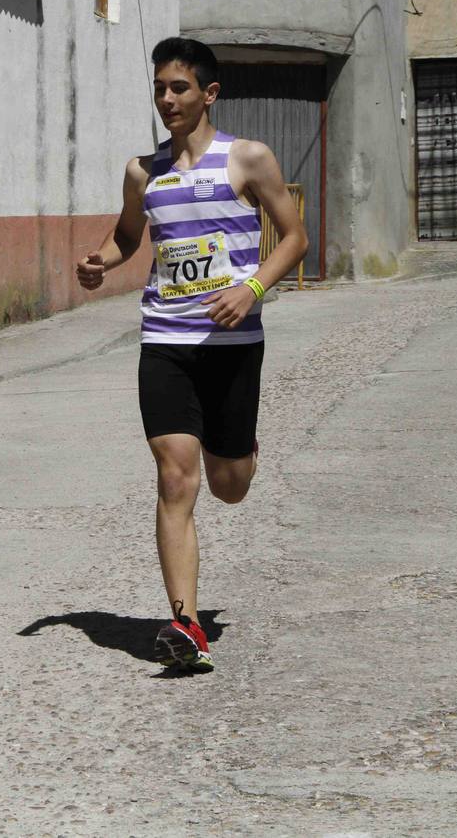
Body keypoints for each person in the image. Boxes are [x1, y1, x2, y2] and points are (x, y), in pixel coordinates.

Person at [75, 37, 308, 672]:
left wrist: (252, 287)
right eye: (159, 89)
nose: (167, 100)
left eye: (179, 88)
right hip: (166, 340)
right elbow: (128, 236)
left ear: (208, 94)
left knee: (228, 485)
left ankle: (240, 452)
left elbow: (295, 237)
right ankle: (184, 625)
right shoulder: (143, 172)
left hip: (233, 343)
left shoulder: (249, 159)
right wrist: (101, 261)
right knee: (176, 475)